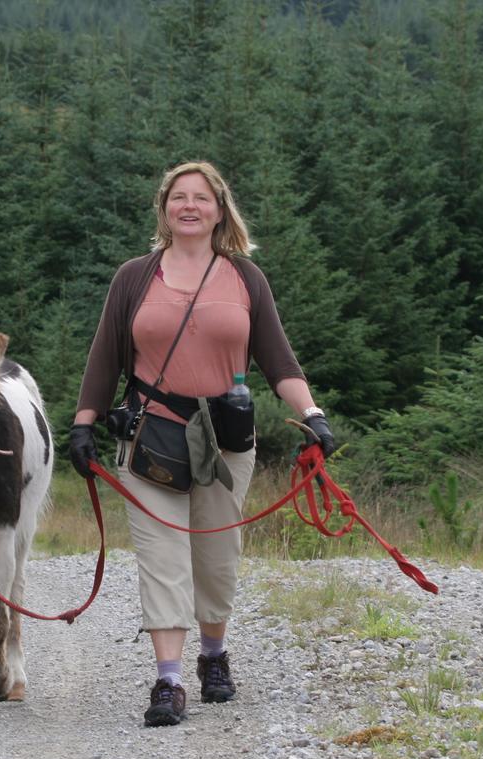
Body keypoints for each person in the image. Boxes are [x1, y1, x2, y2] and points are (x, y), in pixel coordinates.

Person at [68, 161, 336, 727]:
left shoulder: (246, 279)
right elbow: (104, 358)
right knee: (161, 557)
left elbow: (278, 360)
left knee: (216, 560)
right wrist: (83, 424)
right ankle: (168, 681)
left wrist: (311, 414)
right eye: (178, 197)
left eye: (202, 198)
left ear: (220, 209)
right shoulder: (133, 278)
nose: (189, 206)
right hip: (152, 435)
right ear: (164, 208)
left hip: (225, 442)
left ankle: (213, 656)